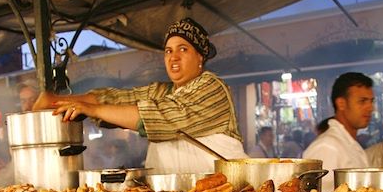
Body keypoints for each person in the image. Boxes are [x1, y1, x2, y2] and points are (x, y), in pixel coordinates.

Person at [32, 17, 248, 173]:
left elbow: (162, 117)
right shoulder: (161, 91)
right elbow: (114, 99)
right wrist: (59, 101)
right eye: (168, 50)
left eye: (183, 49)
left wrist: (93, 110)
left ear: (200, 57)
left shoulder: (213, 88)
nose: (173, 57)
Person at [302, 72, 373, 192]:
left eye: (371, 101)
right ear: (341, 104)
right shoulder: (327, 147)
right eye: (362, 101)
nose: (370, 107)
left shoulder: (349, 144)